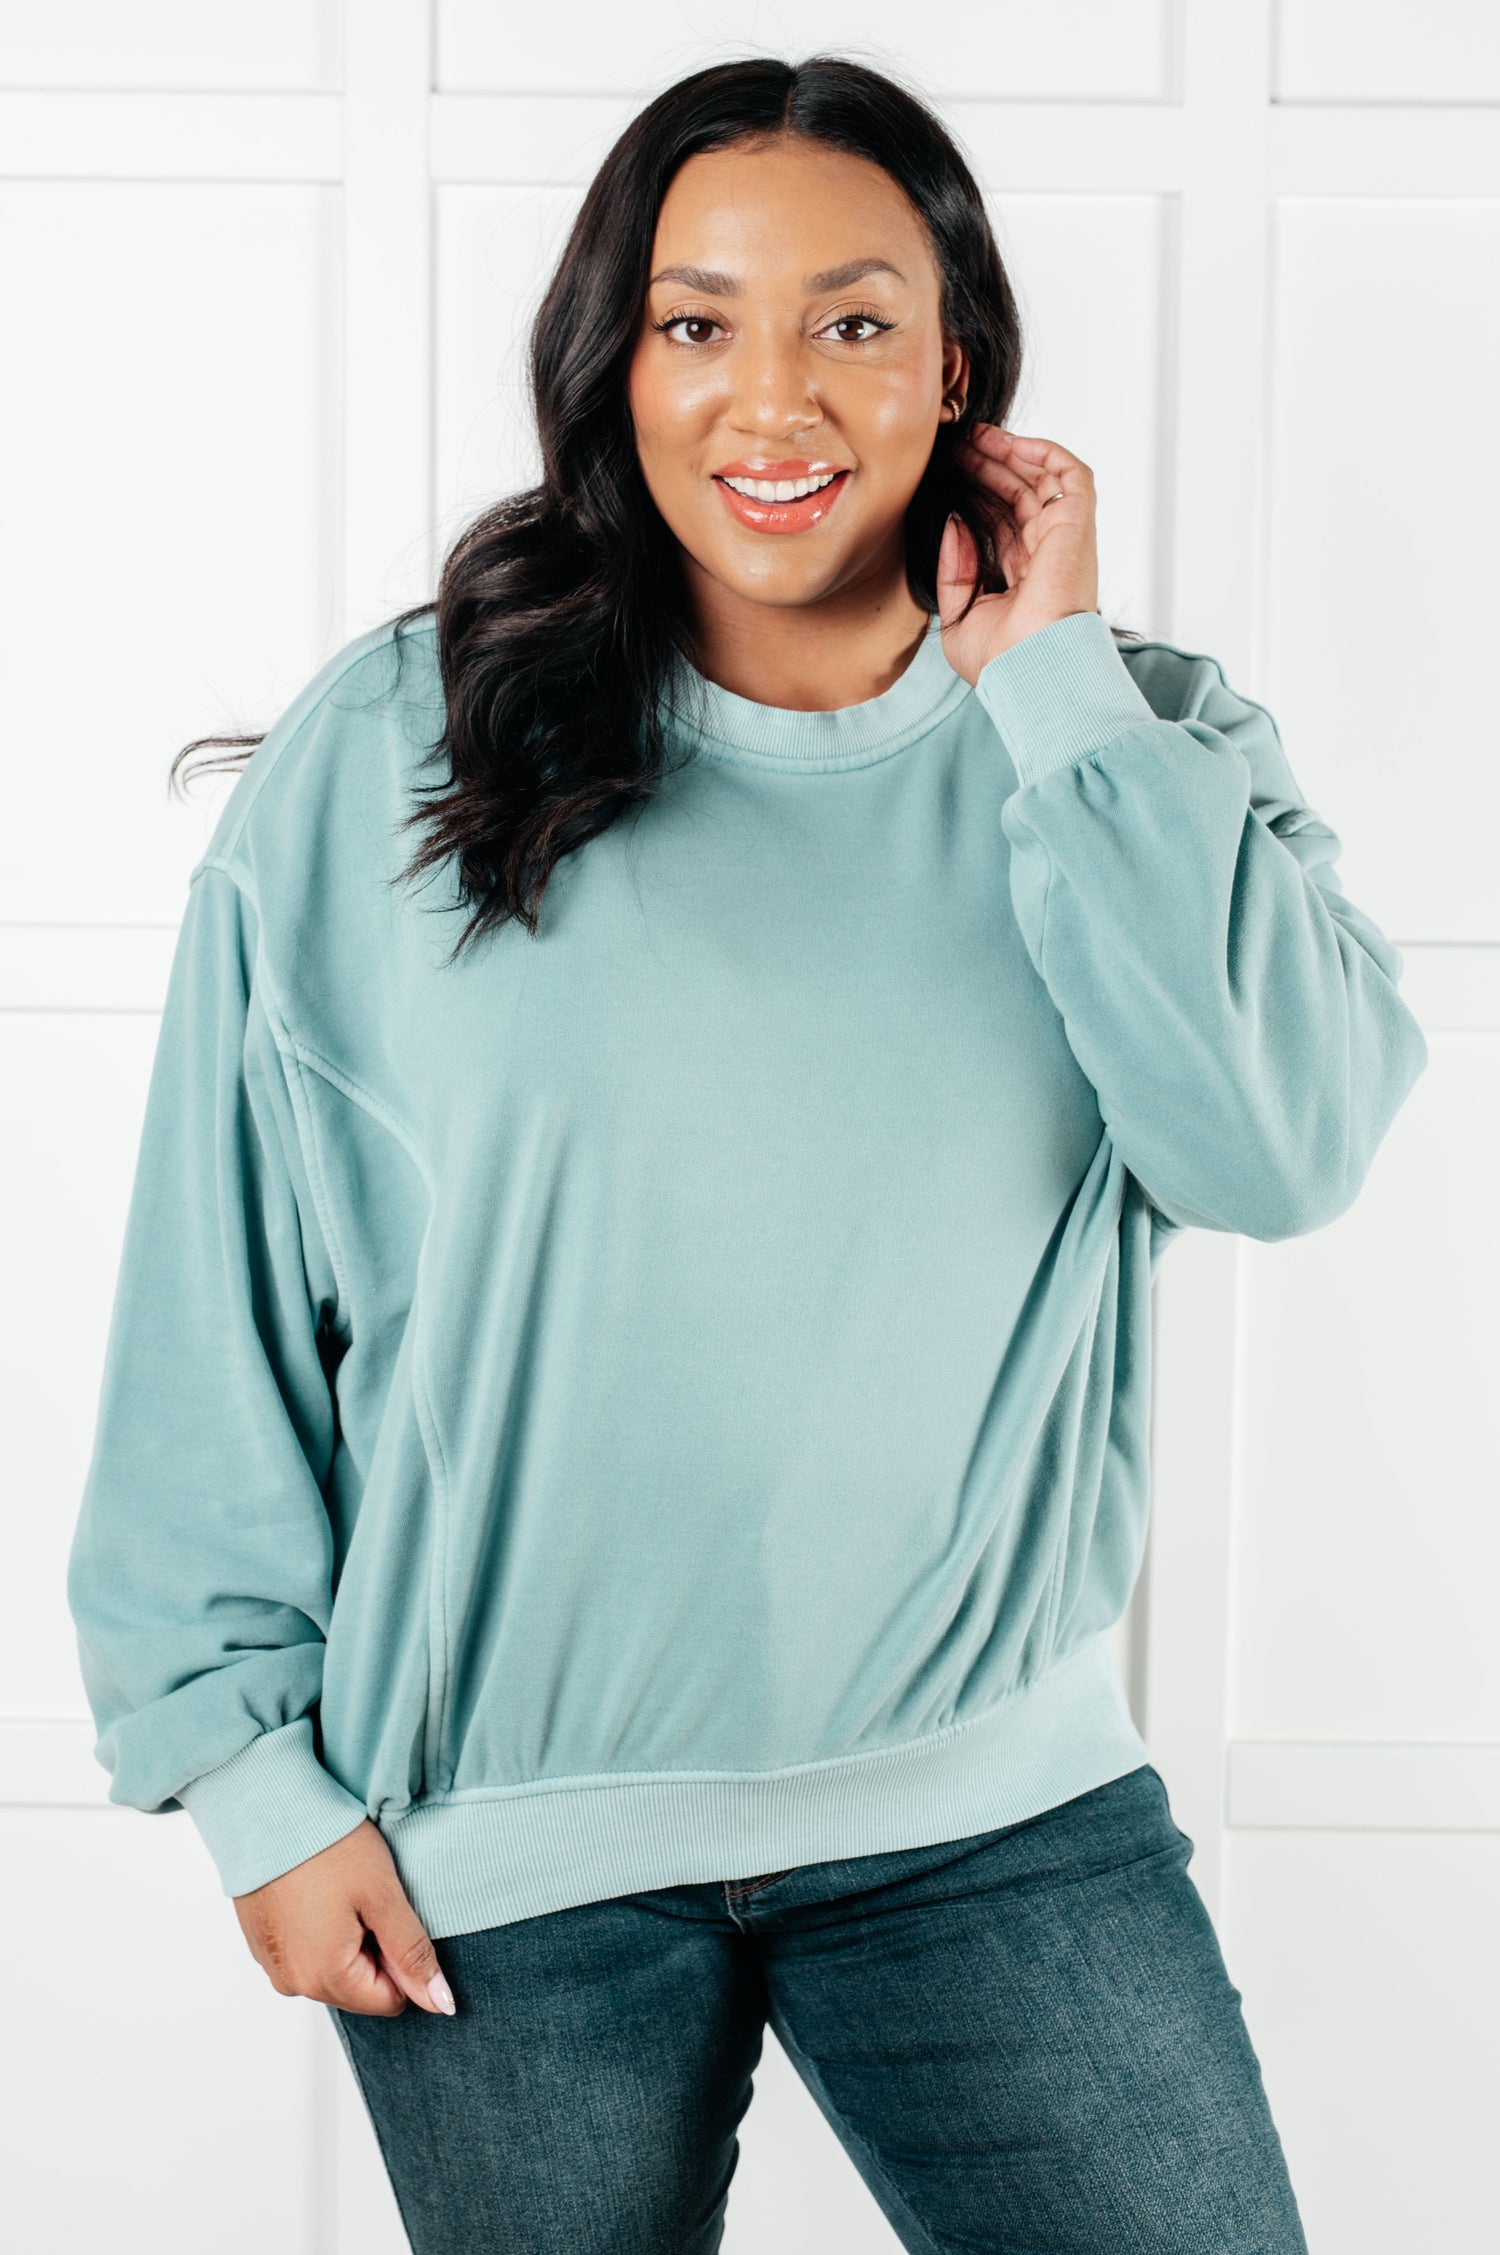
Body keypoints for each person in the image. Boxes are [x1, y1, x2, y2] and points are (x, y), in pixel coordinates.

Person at [67, 51, 1426, 2255]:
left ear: (961, 367)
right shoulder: (398, 745)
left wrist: (1057, 696)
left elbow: (1278, 1148)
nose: (771, 395)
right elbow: (213, 1299)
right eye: (696, 320)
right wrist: (242, 1773)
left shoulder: (1134, 741)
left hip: (996, 1821)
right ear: (616, 362)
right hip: (500, 1856)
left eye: (854, 320)